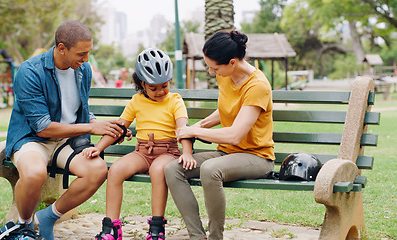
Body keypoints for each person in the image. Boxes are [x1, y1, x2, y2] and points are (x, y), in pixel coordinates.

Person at [3, 20, 126, 240]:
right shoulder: (30, 71)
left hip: (66, 140)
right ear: (61, 48)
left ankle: (48, 217)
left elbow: (80, 110)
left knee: (97, 170)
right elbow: (42, 128)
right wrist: (92, 127)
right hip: (32, 139)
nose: (86, 59)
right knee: (34, 173)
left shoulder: (82, 70)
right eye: (81, 53)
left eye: (88, 53)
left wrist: (109, 128)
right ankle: (25, 227)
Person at [164, 30, 275, 240]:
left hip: (257, 157)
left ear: (232, 62)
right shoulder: (226, 75)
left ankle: (216, 237)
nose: (211, 71)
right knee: (173, 169)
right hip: (227, 152)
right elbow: (227, 110)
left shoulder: (257, 86)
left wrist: (195, 131)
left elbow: (235, 135)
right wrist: (199, 125)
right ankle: (197, 236)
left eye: (214, 67)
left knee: (210, 169)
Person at [82, 48, 196, 240]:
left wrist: (187, 152)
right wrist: (98, 148)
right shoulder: (136, 101)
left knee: (158, 170)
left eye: (165, 86)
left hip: (167, 152)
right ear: (142, 83)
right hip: (142, 151)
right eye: (153, 88)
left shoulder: (175, 100)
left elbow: (183, 129)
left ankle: (156, 228)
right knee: (116, 170)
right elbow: (119, 128)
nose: (160, 92)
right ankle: (111, 228)